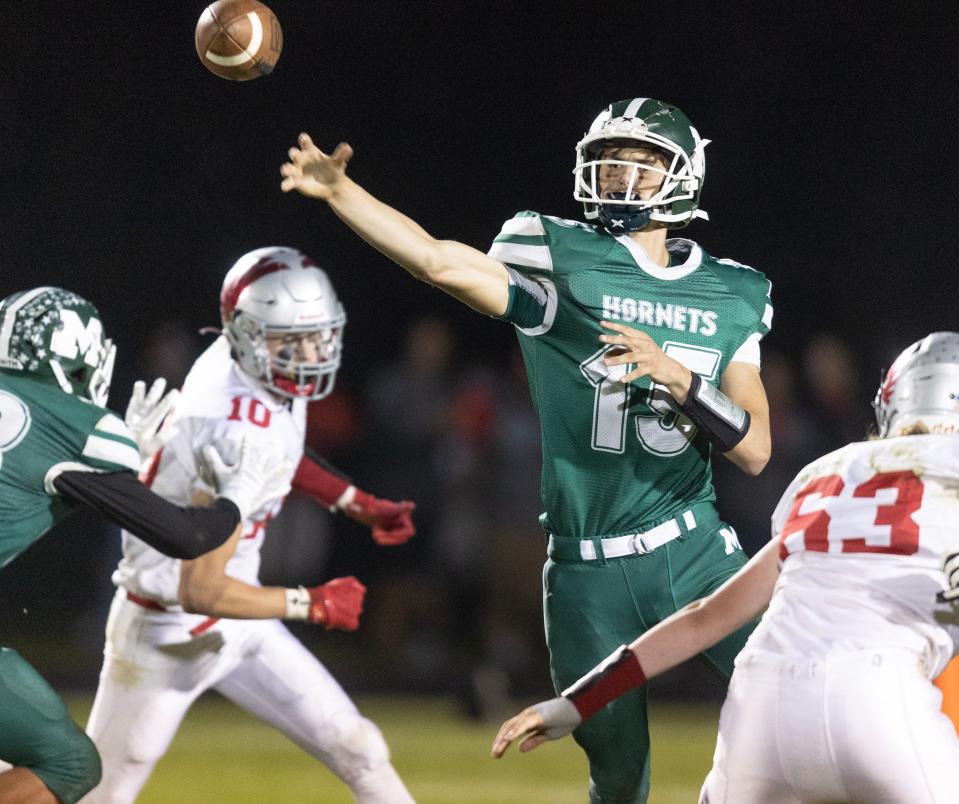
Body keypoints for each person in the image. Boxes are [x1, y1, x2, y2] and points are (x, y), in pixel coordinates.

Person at [280, 97, 773, 802]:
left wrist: (681, 379)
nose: (621, 178)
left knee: (789, 704)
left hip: (692, 553)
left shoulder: (731, 291)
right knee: (616, 772)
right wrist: (342, 193)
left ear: (684, 176)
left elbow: (754, 448)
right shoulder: (560, 255)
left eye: (641, 164)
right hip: (583, 571)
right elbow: (436, 261)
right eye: (611, 162)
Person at [492, 331, 959, 804]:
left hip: (763, 703)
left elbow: (708, 616)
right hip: (879, 696)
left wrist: (580, 701)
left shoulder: (829, 473)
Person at [83, 247, 417, 804]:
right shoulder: (234, 426)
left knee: (359, 747)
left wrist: (352, 499)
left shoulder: (252, 368)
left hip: (242, 613)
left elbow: (278, 455)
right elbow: (201, 590)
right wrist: (313, 603)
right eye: (293, 341)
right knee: (101, 795)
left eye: (318, 336)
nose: (311, 353)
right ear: (246, 334)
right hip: (168, 630)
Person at [0, 286, 287, 804]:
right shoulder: (72, 425)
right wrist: (238, 496)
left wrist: (115, 476)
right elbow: (186, 537)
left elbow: (17, 494)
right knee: (68, 764)